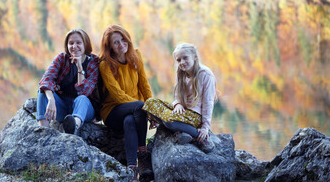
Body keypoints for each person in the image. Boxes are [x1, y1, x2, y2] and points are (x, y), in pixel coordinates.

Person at [99, 25, 153, 182]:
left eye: (123, 39)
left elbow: (144, 85)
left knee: (130, 120)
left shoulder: (136, 56)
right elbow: (117, 96)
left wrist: (151, 105)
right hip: (112, 111)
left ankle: (132, 169)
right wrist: (145, 107)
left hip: (133, 111)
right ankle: (143, 154)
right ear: (110, 47)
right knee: (139, 106)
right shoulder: (105, 65)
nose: (121, 44)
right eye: (115, 43)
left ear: (128, 39)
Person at [143, 43, 217, 153]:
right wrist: (178, 104)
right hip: (182, 113)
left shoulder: (205, 74)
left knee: (169, 121)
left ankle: (200, 137)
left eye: (185, 58)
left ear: (195, 56)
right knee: (149, 103)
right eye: (178, 60)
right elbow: (177, 96)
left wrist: (205, 127)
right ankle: (183, 132)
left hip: (195, 116)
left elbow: (208, 102)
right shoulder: (181, 73)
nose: (182, 62)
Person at [36, 28, 99, 136]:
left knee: (82, 99)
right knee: (43, 92)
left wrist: (79, 68)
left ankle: (73, 127)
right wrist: (51, 99)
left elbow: (84, 91)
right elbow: (46, 79)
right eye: (71, 43)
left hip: (84, 109)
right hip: (63, 107)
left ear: (85, 44)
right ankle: (42, 133)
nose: (74, 47)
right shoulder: (62, 58)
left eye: (78, 43)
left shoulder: (93, 62)